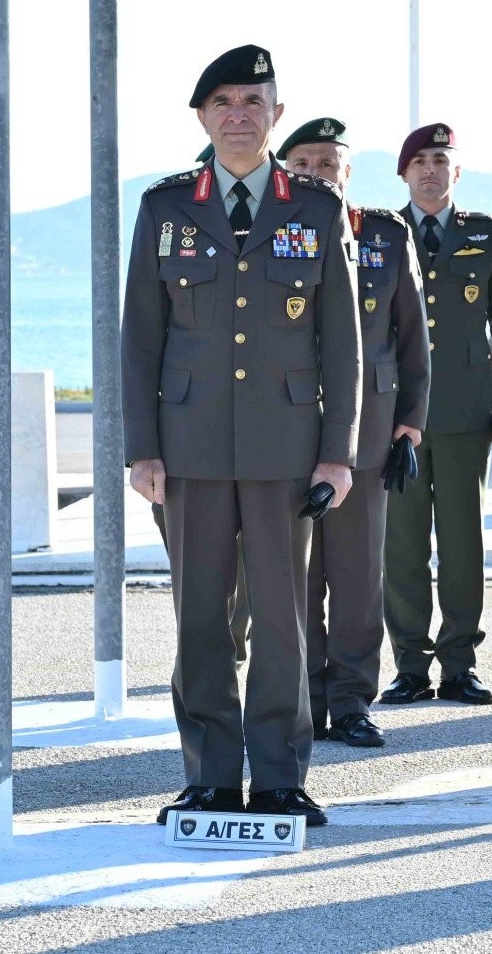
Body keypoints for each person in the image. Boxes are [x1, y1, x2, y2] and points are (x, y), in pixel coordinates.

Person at [123, 45, 362, 826]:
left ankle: (282, 777)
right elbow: (140, 337)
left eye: (252, 101)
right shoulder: (166, 207)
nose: (237, 115)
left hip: (284, 446)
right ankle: (211, 778)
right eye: (222, 102)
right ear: (202, 116)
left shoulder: (316, 208)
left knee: (283, 619)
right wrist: (141, 447)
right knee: (200, 619)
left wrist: (337, 452)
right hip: (188, 446)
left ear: (276, 115)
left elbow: (343, 343)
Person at [279, 117, 429, 749]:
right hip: (285, 430)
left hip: (366, 433)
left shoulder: (385, 235)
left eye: (328, 163)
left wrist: (410, 426)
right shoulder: (269, 233)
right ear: (285, 170)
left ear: (348, 172)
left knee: (357, 576)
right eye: (303, 164)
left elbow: (413, 336)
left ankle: (351, 701)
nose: (316, 174)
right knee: (294, 579)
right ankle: (303, 699)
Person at [379, 123, 492, 708]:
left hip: (467, 415)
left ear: (457, 172)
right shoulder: (381, 235)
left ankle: (460, 665)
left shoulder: (488, 234)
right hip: (399, 418)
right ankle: (410, 667)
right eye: (419, 161)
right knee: (404, 547)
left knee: (464, 546)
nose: (430, 170)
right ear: (403, 172)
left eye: (440, 160)